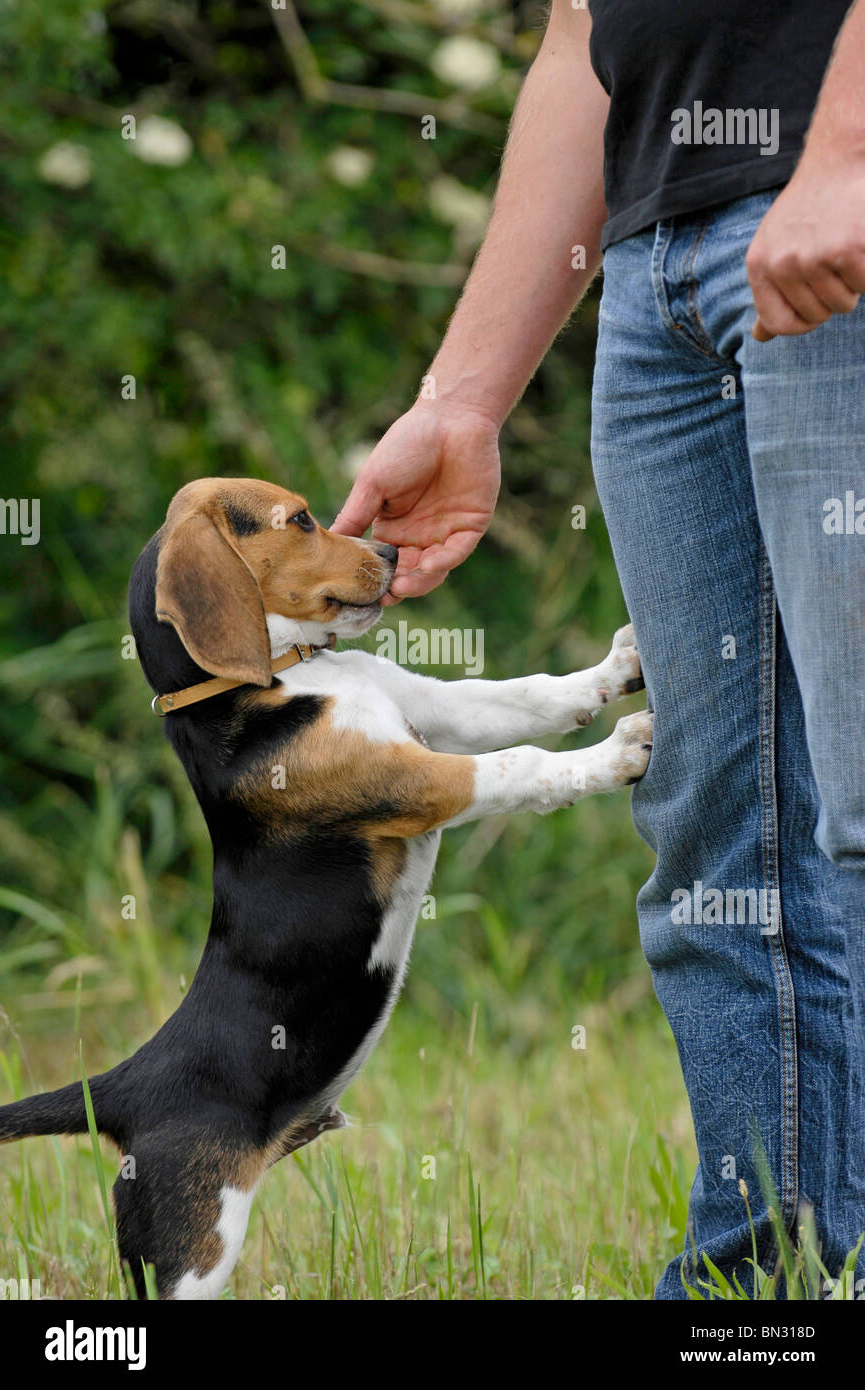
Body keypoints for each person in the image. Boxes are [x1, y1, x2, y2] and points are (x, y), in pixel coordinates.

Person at [332, 1, 865, 1298]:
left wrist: (847, 150)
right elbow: (584, 35)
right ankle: (759, 1286)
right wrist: (459, 398)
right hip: (657, 277)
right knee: (712, 829)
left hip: (831, 227)